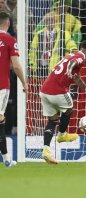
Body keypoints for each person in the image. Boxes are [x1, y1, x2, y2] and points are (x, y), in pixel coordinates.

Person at [39, 40, 86, 164]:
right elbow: (73, 63)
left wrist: (85, 88)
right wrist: (69, 69)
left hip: (44, 91)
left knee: (53, 120)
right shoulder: (80, 56)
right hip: (57, 91)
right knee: (69, 107)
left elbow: (76, 77)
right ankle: (62, 134)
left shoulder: (72, 54)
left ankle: (46, 151)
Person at [0, 12, 28, 167]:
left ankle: (6, 159)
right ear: (8, 23)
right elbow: (16, 65)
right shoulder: (9, 40)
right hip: (1, 86)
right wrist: (24, 82)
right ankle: (6, 159)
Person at [29, 12, 78, 77]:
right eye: (47, 20)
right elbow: (33, 50)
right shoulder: (38, 34)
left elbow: (70, 43)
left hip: (56, 66)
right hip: (40, 66)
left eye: (52, 20)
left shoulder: (63, 33)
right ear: (44, 22)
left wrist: (74, 49)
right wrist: (32, 64)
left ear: (55, 22)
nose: (50, 22)